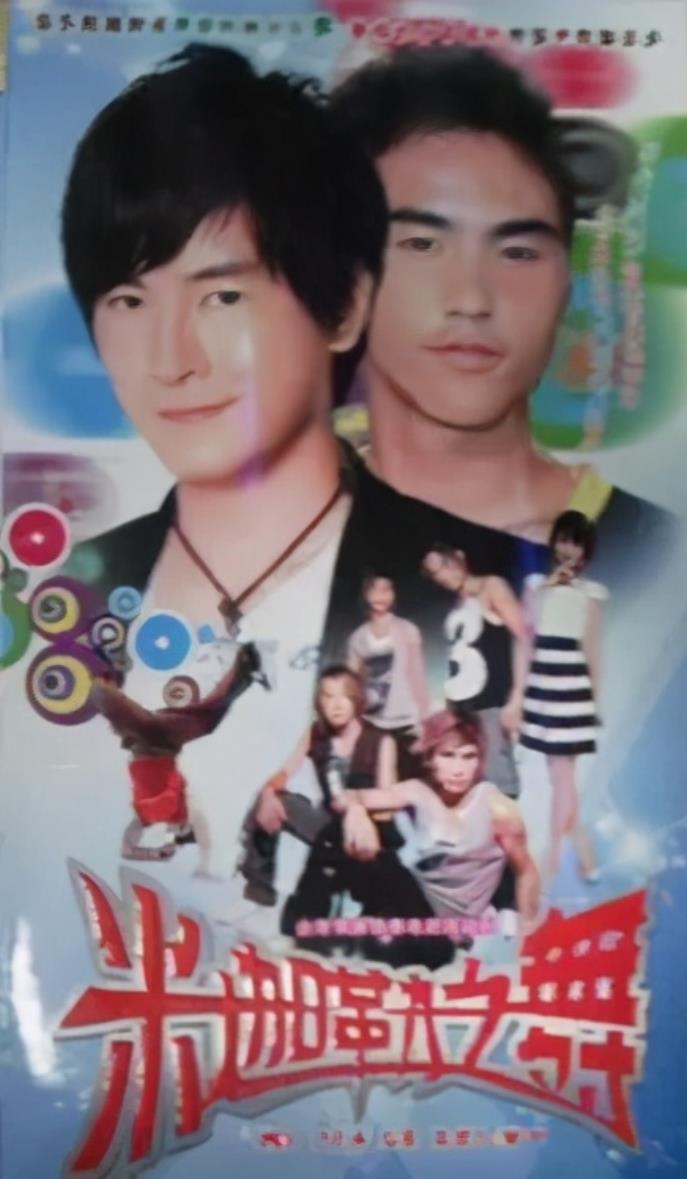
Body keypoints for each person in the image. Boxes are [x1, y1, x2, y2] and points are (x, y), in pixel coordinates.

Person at [59, 43, 386, 877]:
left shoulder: (473, 577)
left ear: (343, 307)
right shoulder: (58, 596)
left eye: (222, 295)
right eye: (128, 299)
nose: (171, 358)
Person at [330, 46, 674, 560]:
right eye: (422, 245)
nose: (472, 300)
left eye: (518, 252)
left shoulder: (664, 556)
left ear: (565, 284)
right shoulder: (263, 534)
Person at [250, 665, 455, 969]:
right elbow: (284, 772)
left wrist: (358, 808)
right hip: (332, 832)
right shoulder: (316, 734)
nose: (335, 704)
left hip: (374, 833)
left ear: (357, 700)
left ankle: (428, 952)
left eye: (344, 696)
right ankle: (261, 891)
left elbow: (388, 802)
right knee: (302, 918)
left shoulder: (380, 740)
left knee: (408, 914)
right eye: (327, 696)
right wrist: (268, 791)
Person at [333, 710, 540, 931]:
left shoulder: (497, 807)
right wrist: (355, 813)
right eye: (448, 755)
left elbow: (525, 871)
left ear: (480, 760)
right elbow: (345, 798)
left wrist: (527, 930)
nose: (458, 770)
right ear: (431, 758)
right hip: (417, 913)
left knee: (389, 868)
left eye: (469, 756)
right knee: (353, 843)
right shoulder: (418, 791)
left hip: (465, 925)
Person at [90, 644, 265, 860]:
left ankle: (101, 679)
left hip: (153, 743)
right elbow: (129, 848)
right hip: (161, 745)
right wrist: (156, 852)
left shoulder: (157, 814)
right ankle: (246, 666)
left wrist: (155, 853)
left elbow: (128, 848)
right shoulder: (161, 814)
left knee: (203, 719)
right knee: (207, 719)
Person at [516, 511, 607, 881]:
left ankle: (555, 855)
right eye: (564, 540)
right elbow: (526, 634)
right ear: (554, 543)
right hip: (543, 687)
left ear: (586, 552)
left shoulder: (592, 594)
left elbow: (593, 651)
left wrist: (594, 704)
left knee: (563, 779)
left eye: (577, 543)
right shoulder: (535, 585)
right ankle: (580, 851)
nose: (569, 549)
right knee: (560, 780)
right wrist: (551, 587)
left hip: (573, 690)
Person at [421, 543, 527, 797]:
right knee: (467, 790)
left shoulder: (492, 587)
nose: (444, 576)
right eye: (435, 573)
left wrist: (518, 697)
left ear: (459, 556)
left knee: (499, 789)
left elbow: (525, 637)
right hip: (461, 711)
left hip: (491, 704)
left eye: (445, 565)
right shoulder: (456, 608)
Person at [347, 572, 431, 773]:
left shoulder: (408, 629)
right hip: (372, 721)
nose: (380, 596)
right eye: (374, 589)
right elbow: (350, 683)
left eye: (386, 589)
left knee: (408, 776)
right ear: (365, 594)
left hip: (407, 722)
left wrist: (425, 720)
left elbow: (417, 676)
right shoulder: (358, 637)